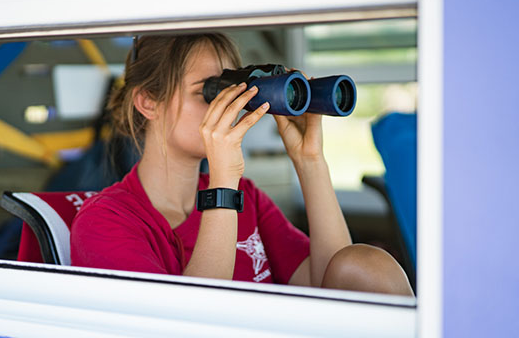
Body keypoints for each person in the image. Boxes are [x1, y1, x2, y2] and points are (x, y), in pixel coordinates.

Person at [70, 33, 413, 295]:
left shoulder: (245, 197)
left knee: (367, 264)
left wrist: (310, 163)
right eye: (209, 91)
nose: (227, 107)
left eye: (233, 90)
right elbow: (190, 324)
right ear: (147, 101)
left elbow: (335, 283)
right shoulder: (106, 221)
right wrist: (223, 182)